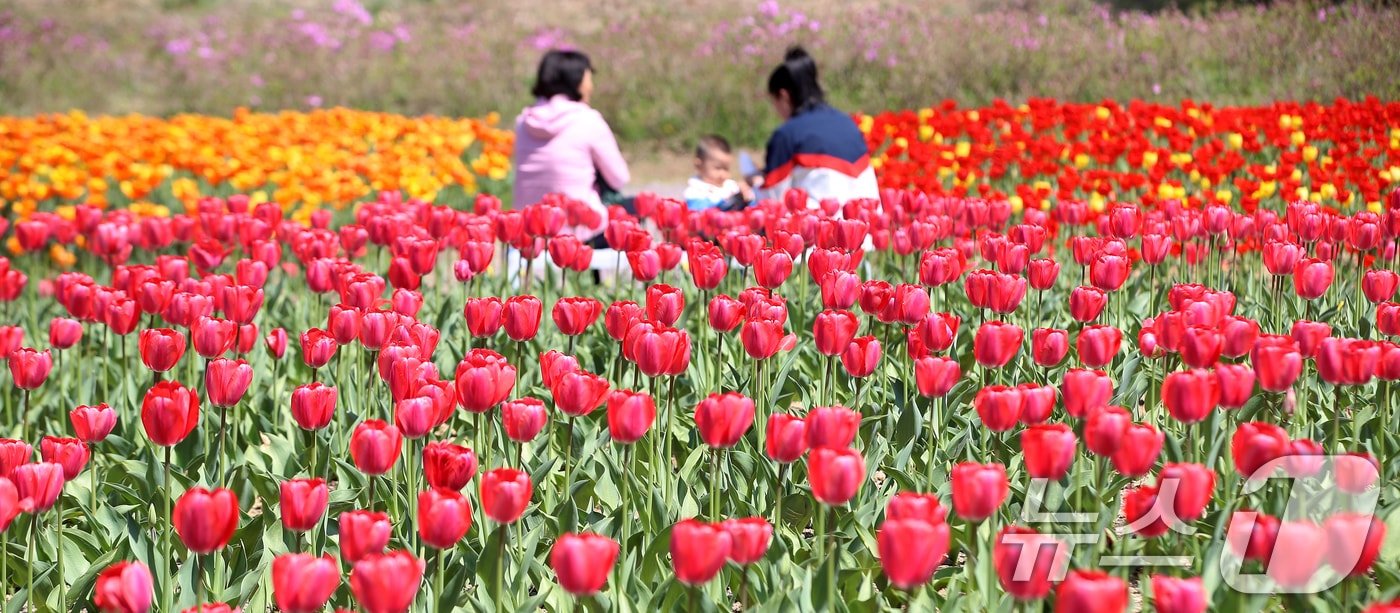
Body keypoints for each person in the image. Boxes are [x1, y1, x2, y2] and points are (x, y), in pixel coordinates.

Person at [512, 49, 630, 244]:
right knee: (630, 214)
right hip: (580, 229)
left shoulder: (524, 121)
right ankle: (594, 274)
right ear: (577, 82)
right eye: (588, 79)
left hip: (528, 231)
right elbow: (619, 178)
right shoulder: (587, 119)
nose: (591, 86)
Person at [752, 46, 879, 207]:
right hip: (867, 227)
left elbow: (771, 200)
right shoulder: (847, 122)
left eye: (774, 102)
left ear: (784, 96)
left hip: (819, 228)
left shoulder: (787, 134)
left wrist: (754, 185)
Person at [683, 135, 754, 212]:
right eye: (718, 168)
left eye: (726, 169)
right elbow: (698, 210)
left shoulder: (730, 187)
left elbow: (752, 208)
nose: (723, 174)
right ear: (699, 166)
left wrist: (745, 197)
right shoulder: (695, 190)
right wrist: (728, 201)